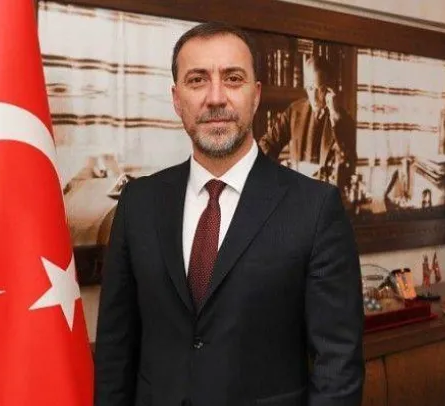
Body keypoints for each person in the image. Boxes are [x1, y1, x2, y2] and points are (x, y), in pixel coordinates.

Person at [94, 22, 364, 406]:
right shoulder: (138, 203)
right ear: (176, 99)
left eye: (233, 79)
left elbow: (338, 366)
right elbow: (114, 350)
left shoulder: (316, 208)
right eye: (197, 80)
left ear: (256, 96)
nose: (216, 98)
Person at [258, 54, 356, 191]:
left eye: (319, 89)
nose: (313, 97)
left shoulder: (342, 119)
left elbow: (348, 161)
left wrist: (335, 116)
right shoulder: (294, 111)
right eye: (310, 88)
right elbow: (266, 144)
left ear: (330, 89)